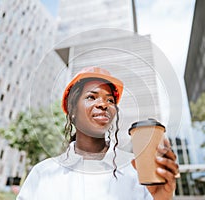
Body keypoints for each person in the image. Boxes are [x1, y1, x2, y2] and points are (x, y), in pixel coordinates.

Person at [16, 67, 179, 200]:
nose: (103, 104)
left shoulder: (136, 171)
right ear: (72, 110)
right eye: (91, 97)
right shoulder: (43, 173)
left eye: (110, 100)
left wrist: (163, 199)